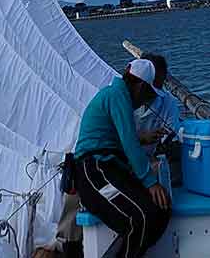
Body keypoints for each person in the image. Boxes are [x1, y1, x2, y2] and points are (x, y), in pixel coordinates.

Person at [72, 58, 171, 258]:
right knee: (141, 218)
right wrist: (150, 182)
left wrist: (142, 139)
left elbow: (116, 138)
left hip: (109, 169)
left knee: (161, 210)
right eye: (149, 95)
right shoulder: (118, 96)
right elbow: (128, 143)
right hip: (94, 172)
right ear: (141, 87)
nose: (147, 102)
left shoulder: (117, 95)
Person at [135, 54, 182, 192]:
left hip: (152, 162)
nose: (155, 92)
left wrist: (165, 144)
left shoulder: (168, 101)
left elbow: (171, 134)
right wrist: (142, 139)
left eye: (159, 85)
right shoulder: (120, 100)